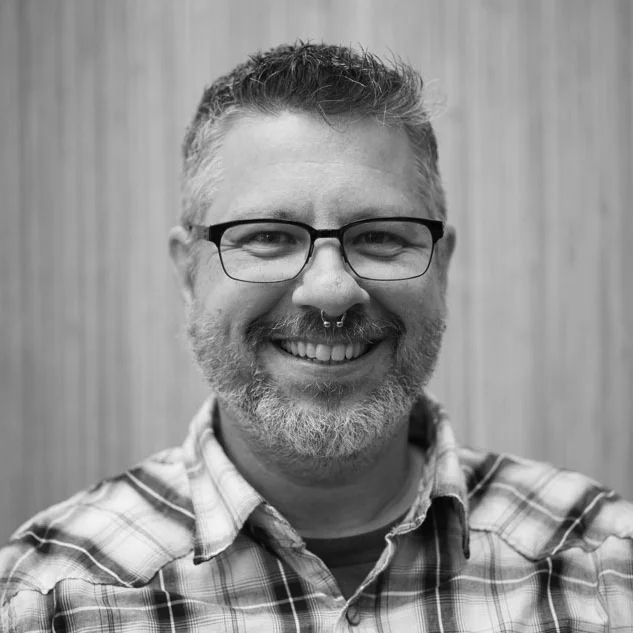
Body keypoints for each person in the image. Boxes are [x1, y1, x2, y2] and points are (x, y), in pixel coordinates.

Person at [1, 42, 632, 632]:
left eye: (380, 236)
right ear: (189, 272)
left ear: (441, 267)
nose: (330, 291)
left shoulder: (606, 567)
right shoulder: (47, 599)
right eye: (268, 237)